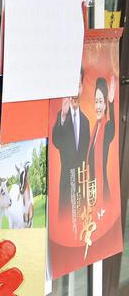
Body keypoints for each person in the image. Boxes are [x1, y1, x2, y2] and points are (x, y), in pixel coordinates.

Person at [51, 72, 91, 221]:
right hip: (66, 183)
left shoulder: (86, 122)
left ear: (82, 88)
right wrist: (63, 116)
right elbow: (56, 141)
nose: (74, 92)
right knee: (65, 220)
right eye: (71, 86)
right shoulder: (61, 116)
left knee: (81, 221)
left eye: (78, 85)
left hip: (81, 183)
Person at [88, 74, 117, 206]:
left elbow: (113, 126)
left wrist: (111, 102)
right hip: (92, 194)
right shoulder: (93, 131)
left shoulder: (107, 129)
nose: (98, 106)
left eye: (100, 101)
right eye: (96, 101)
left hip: (103, 196)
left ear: (105, 104)